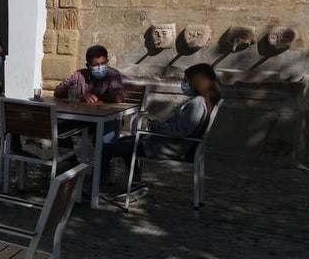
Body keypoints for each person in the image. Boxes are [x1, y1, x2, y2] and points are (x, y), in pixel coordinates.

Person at [103, 63, 222, 196]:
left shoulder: (197, 104)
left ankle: (98, 185)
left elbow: (180, 131)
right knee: (123, 141)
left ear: (197, 82)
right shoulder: (201, 101)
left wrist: (157, 126)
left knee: (109, 148)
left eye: (185, 81)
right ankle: (135, 183)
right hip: (165, 144)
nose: (183, 84)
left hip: (166, 147)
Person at [54, 44, 124, 104]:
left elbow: (118, 97)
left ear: (107, 61)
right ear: (88, 66)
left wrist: (94, 97)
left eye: (103, 63)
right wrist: (80, 96)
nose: (100, 67)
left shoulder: (113, 75)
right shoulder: (79, 75)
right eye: (95, 65)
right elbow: (58, 91)